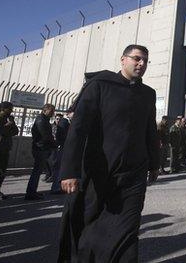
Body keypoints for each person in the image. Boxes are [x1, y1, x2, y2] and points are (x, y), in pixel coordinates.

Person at [58, 44, 160, 262]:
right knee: (89, 226)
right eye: (137, 58)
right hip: (98, 171)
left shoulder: (148, 94)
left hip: (133, 174)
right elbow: (78, 129)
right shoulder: (100, 85)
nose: (141, 64)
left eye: (145, 60)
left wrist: (154, 163)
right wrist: (69, 171)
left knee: (128, 228)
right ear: (123, 60)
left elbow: (150, 130)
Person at [25, 103, 56, 200]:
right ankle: (31, 192)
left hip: (41, 147)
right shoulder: (41, 120)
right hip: (40, 148)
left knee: (37, 171)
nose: (52, 114)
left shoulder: (44, 119)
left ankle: (32, 191)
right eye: (51, 111)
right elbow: (46, 136)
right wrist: (54, 144)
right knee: (37, 171)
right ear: (45, 110)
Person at [50, 109, 73, 194]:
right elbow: (62, 135)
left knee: (60, 167)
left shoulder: (66, 122)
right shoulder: (64, 122)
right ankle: (56, 187)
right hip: (63, 147)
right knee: (59, 167)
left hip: (63, 146)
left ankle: (57, 186)